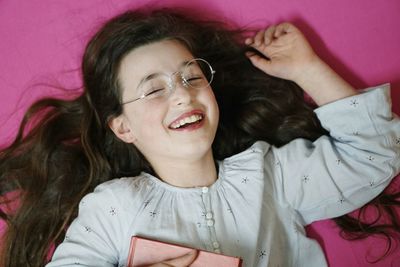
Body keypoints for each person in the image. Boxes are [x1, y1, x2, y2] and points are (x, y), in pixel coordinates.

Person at [0, 8, 399, 267]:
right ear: (123, 127)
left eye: (191, 76)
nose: (182, 93)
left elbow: (377, 154)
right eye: (154, 89)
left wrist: (307, 69)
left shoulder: (272, 176)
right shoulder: (113, 207)